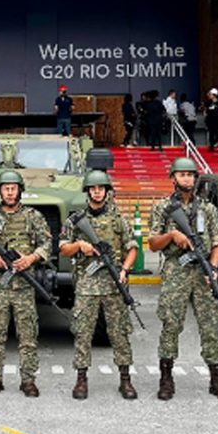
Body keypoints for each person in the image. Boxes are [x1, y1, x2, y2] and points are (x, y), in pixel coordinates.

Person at [147, 158, 218, 402]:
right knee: (171, 324)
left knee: (210, 326)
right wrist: (172, 234)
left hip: (203, 270)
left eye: (190, 175)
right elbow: (153, 244)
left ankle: (217, 380)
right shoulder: (163, 207)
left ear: (196, 179)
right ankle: (166, 378)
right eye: (181, 174)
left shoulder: (207, 209)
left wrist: (214, 267)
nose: (186, 179)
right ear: (172, 178)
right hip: (177, 270)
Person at [60, 170, 138, 400]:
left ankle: (125, 379)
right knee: (83, 333)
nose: (97, 191)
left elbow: (132, 247)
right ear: (87, 191)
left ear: (106, 191)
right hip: (87, 284)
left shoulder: (117, 219)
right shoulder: (75, 220)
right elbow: (63, 247)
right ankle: (81, 379)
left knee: (120, 334)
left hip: (114, 284)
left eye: (101, 188)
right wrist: (80, 246)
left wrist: (124, 270)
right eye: (93, 188)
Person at [0, 170, 51, 398]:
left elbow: (46, 243)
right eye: (5, 188)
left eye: (13, 188)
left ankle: (28, 380)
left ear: (19, 190)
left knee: (28, 336)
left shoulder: (33, 216)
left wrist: (31, 258)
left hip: (24, 286)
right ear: (0, 191)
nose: (9, 192)